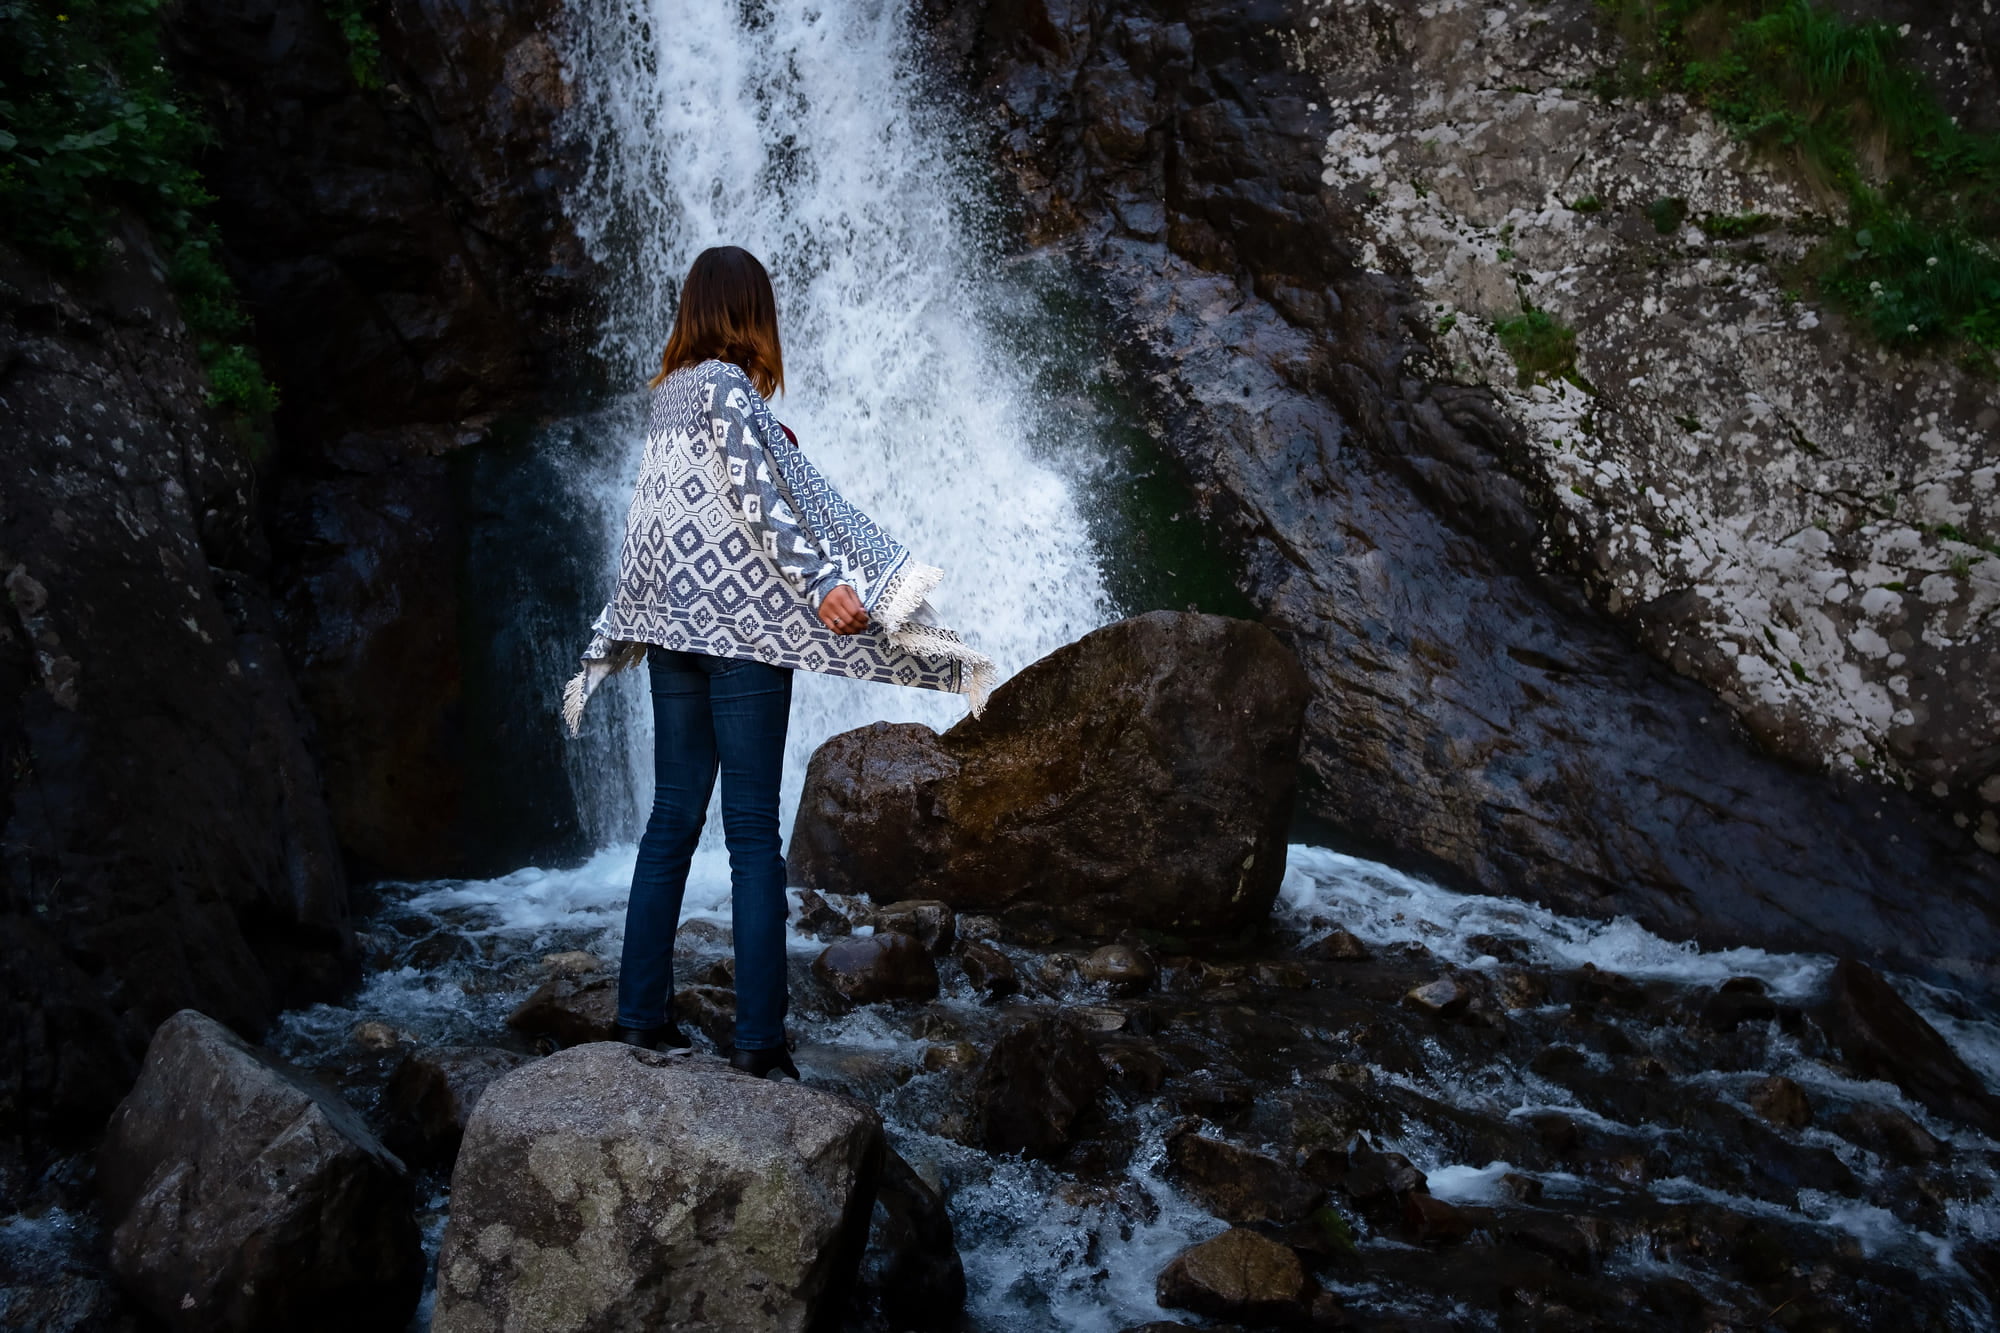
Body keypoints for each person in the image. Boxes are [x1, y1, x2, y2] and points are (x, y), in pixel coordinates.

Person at [565, 245, 992, 1079]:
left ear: (692, 310)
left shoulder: (667, 402)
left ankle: (638, 1020)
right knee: (754, 836)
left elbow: (656, 531)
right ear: (751, 315)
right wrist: (824, 582)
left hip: (674, 638)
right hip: (744, 644)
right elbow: (764, 497)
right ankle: (760, 1043)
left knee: (669, 825)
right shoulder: (726, 390)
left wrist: (628, 623)